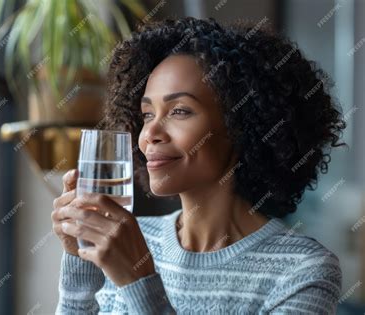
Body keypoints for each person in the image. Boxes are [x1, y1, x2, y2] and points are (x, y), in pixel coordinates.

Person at [52, 17, 345, 314]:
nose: (149, 135)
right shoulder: (128, 239)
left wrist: (138, 280)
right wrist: (79, 260)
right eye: (147, 114)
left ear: (241, 126)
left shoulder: (302, 271)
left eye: (179, 111)